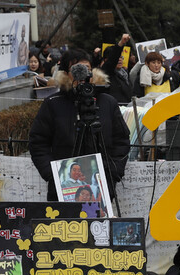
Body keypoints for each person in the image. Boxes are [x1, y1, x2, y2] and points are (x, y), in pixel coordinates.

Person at [29, 49, 130, 197]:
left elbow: (121, 140)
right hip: (63, 189)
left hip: (101, 185)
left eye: (87, 70)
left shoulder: (107, 102)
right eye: (76, 70)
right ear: (65, 73)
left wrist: (112, 172)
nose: (82, 75)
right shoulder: (53, 104)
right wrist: (54, 174)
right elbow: (38, 142)